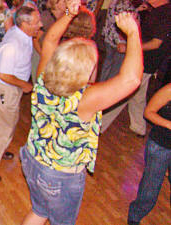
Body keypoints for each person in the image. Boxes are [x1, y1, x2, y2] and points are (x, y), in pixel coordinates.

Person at [20, 0, 143, 223]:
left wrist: (68, 13)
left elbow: (49, 40)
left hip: (33, 158)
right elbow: (132, 79)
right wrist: (133, 34)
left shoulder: (42, 80)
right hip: (60, 175)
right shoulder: (84, 100)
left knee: (39, 211)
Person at [0, 6, 42, 182]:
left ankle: (0, 149)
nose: (40, 25)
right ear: (25, 23)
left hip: (11, 88)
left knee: (10, 122)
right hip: (4, 88)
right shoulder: (13, 45)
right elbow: (4, 75)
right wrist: (25, 85)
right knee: (1, 127)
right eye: (37, 22)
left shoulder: (23, 34)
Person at [100, 0, 171, 136]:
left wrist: (128, 48)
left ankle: (99, 125)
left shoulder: (166, 14)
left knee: (122, 93)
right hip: (141, 60)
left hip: (146, 62)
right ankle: (139, 127)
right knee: (137, 96)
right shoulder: (153, 10)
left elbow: (156, 44)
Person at [127, 83, 171, 225]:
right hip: (161, 145)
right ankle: (135, 216)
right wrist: (169, 125)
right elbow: (148, 112)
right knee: (151, 186)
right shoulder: (169, 90)